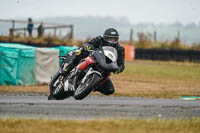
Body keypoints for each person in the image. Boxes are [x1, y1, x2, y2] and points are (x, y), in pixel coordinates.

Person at [62, 28, 125, 95]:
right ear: (105, 37)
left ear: (117, 39)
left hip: (105, 67)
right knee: (82, 52)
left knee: (110, 90)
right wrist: (88, 46)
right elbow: (87, 43)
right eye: (110, 38)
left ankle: (92, 86)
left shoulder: (120, 49)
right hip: (93, 58)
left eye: (114, 39)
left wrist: (118, 69)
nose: (112, 41)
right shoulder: (99, 39)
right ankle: (68, 68)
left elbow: (121, 64)